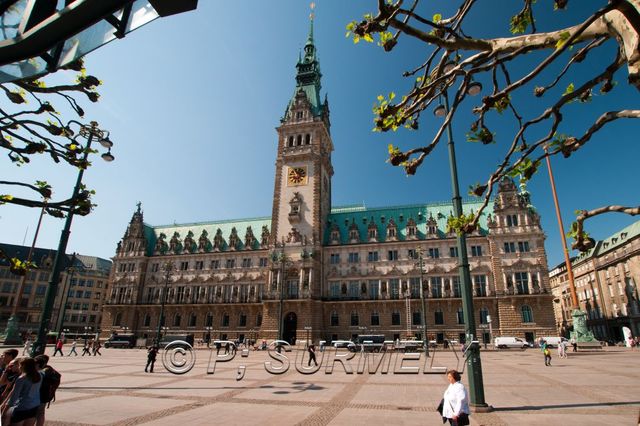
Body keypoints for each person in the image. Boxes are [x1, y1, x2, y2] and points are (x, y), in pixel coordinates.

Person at [1, 357, 42, 426]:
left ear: (24, 366)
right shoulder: (39, 375)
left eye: (20, 365)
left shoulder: (22, 379)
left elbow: (14, 397)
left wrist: (4, 411)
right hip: (34, 406)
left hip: (21, 407)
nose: (19, 367)